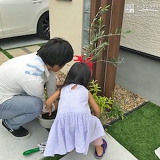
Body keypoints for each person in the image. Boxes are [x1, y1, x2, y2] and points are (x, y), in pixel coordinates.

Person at [0, 37, 74, 139]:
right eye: (63, 64)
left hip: (9, 90)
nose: (63, 66)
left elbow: (51, 77)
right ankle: (10, 124)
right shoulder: (32, 78)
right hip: (2, 102)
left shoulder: (41, 58)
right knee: (36, 105)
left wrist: (54, 97)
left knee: (37, 100)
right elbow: (43, 107)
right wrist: (57, 106)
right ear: (56, 63)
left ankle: (20, 109)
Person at [44, 62, 107, 159]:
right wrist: (94, 115)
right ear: (86, 78)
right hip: (81, 121)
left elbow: (48, 102)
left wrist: (49, 109)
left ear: (70, 75)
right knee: (96, 124)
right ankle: (99, 150)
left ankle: (70, 144)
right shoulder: (86, 92)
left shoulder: (62, 89)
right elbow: (97, 110)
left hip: (64, 122)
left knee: (71, 126)